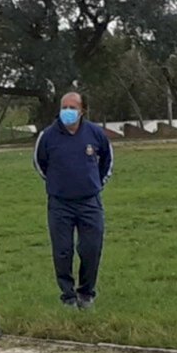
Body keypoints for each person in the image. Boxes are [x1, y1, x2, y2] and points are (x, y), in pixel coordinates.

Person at [33, 91, 113, 310]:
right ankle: (67, 296)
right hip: (60, 204)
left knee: (91, 248)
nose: (67, 112)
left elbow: (107, 160)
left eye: (72, 108)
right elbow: (40, 164)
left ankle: (86, 294)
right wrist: (57, 185)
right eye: (64, 107)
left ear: (82, 111)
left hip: (90, 202)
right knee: (62, 250)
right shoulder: (48, 136)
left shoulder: (95, 134)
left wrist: (96, 184)